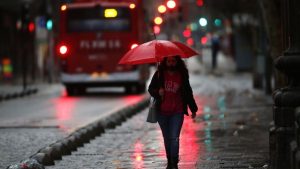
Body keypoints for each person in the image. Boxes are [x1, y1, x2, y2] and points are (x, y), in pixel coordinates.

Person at [148, 55, 198, 169]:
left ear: (177, 62)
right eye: (169, 61)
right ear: (165, 62)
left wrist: (193, 108)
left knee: (174, 137)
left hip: (177, 111)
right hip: (162, 112)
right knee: (167, 138)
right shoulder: (159, 75)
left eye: (173, 61)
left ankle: (174, 163)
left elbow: (188, 92)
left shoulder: (182, 75)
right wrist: (157, 92)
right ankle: (169, 160)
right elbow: (150, 89)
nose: (171, 63)